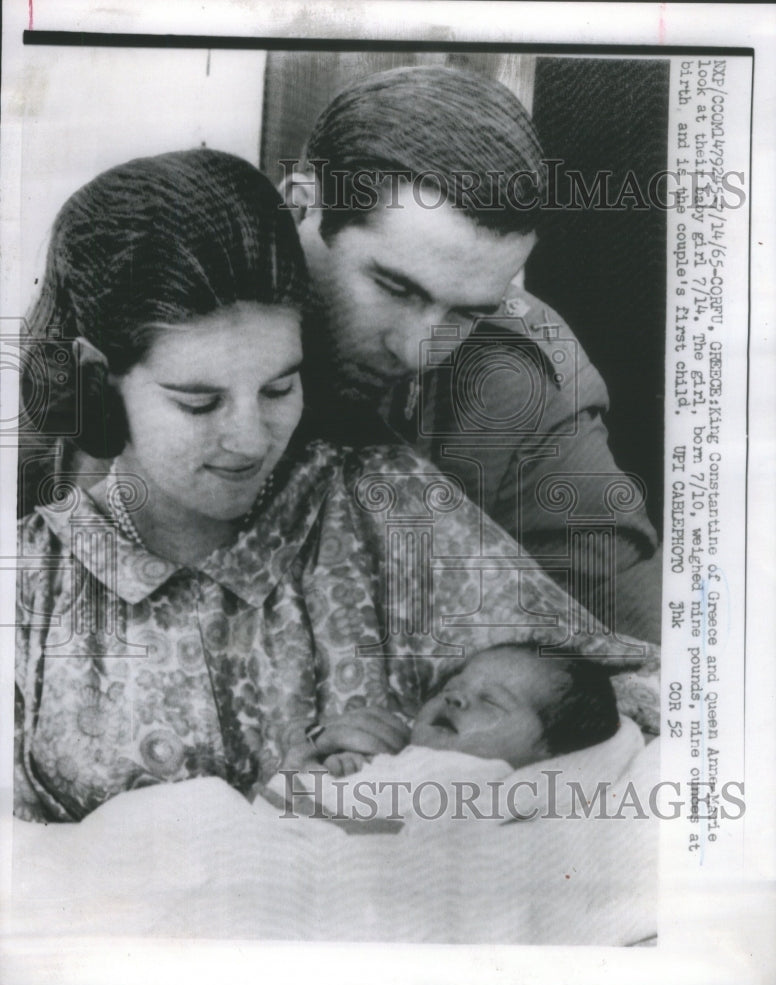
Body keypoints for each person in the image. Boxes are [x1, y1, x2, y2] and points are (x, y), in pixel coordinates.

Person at [15, 149, 660, 824]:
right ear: (96, 382)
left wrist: (421, 781)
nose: (251, 439)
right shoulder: (32, 583)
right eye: (198, 402)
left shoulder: (385, 506)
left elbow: (632, 706)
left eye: (278, 387)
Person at [282, 64, 662, 643]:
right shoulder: (161, 302)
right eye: (395, 288)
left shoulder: (525, 375)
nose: (418, 351)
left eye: (468, 311)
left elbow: (646, 643)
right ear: (300, 206)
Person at [264, 644, 643, 825]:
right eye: (453, 686)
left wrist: (307, 777)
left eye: (491, 702)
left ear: (548, 751)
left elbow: (361, 818)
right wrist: (346, 769)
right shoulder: (415, 761)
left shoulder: (475, 778)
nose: (456, 697)